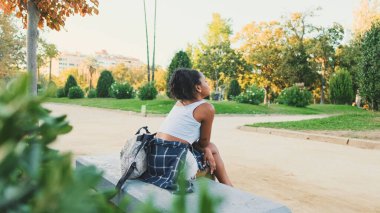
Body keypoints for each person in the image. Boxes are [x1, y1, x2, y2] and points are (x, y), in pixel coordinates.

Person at [139, 68, 233, 192]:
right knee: (212, 148)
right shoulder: (206, 108)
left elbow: (181, 139)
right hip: (171, 164)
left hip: (155, 159)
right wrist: (207, 149)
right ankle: (229, 188)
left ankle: (226, 187)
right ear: (198, 88)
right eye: (205, 82)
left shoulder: (179, 103)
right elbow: (204, 143)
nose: (208, 84)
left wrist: (205, 148)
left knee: (210, 149)